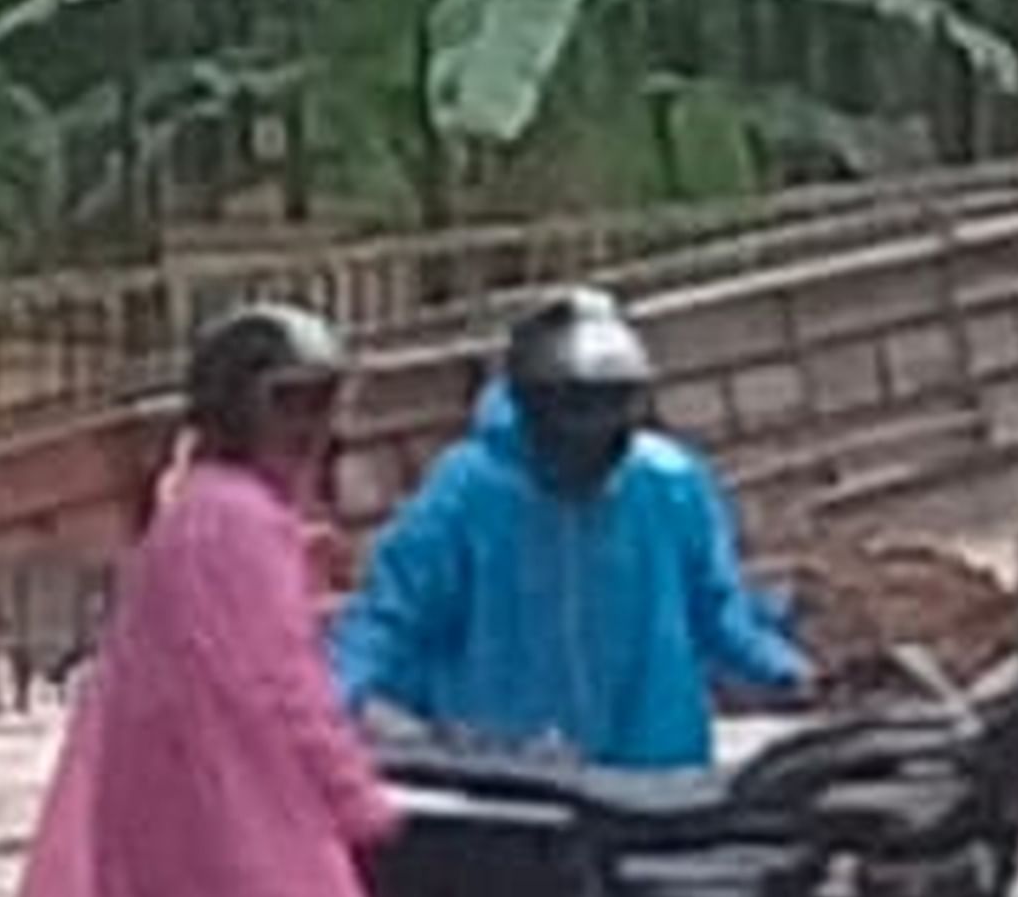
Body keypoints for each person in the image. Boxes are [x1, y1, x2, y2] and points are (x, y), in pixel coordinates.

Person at [5, 301, 403, 897]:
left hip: (194, 829)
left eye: (320, 402)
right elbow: (290, 686)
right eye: (291, 403)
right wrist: (358, 798)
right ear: (238, 411)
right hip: (246, 832)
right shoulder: (241, 526)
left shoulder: (195, 513)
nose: (310, 428)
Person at [331, 288, 814, 775]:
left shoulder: (669, 485)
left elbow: (718, 611)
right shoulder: (467, 494)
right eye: (578, 410)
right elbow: (389, 616)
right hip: (515, 783)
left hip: (657, 778)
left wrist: (785, 672)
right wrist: (337, 701)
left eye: (610, 407)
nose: (593, 433)